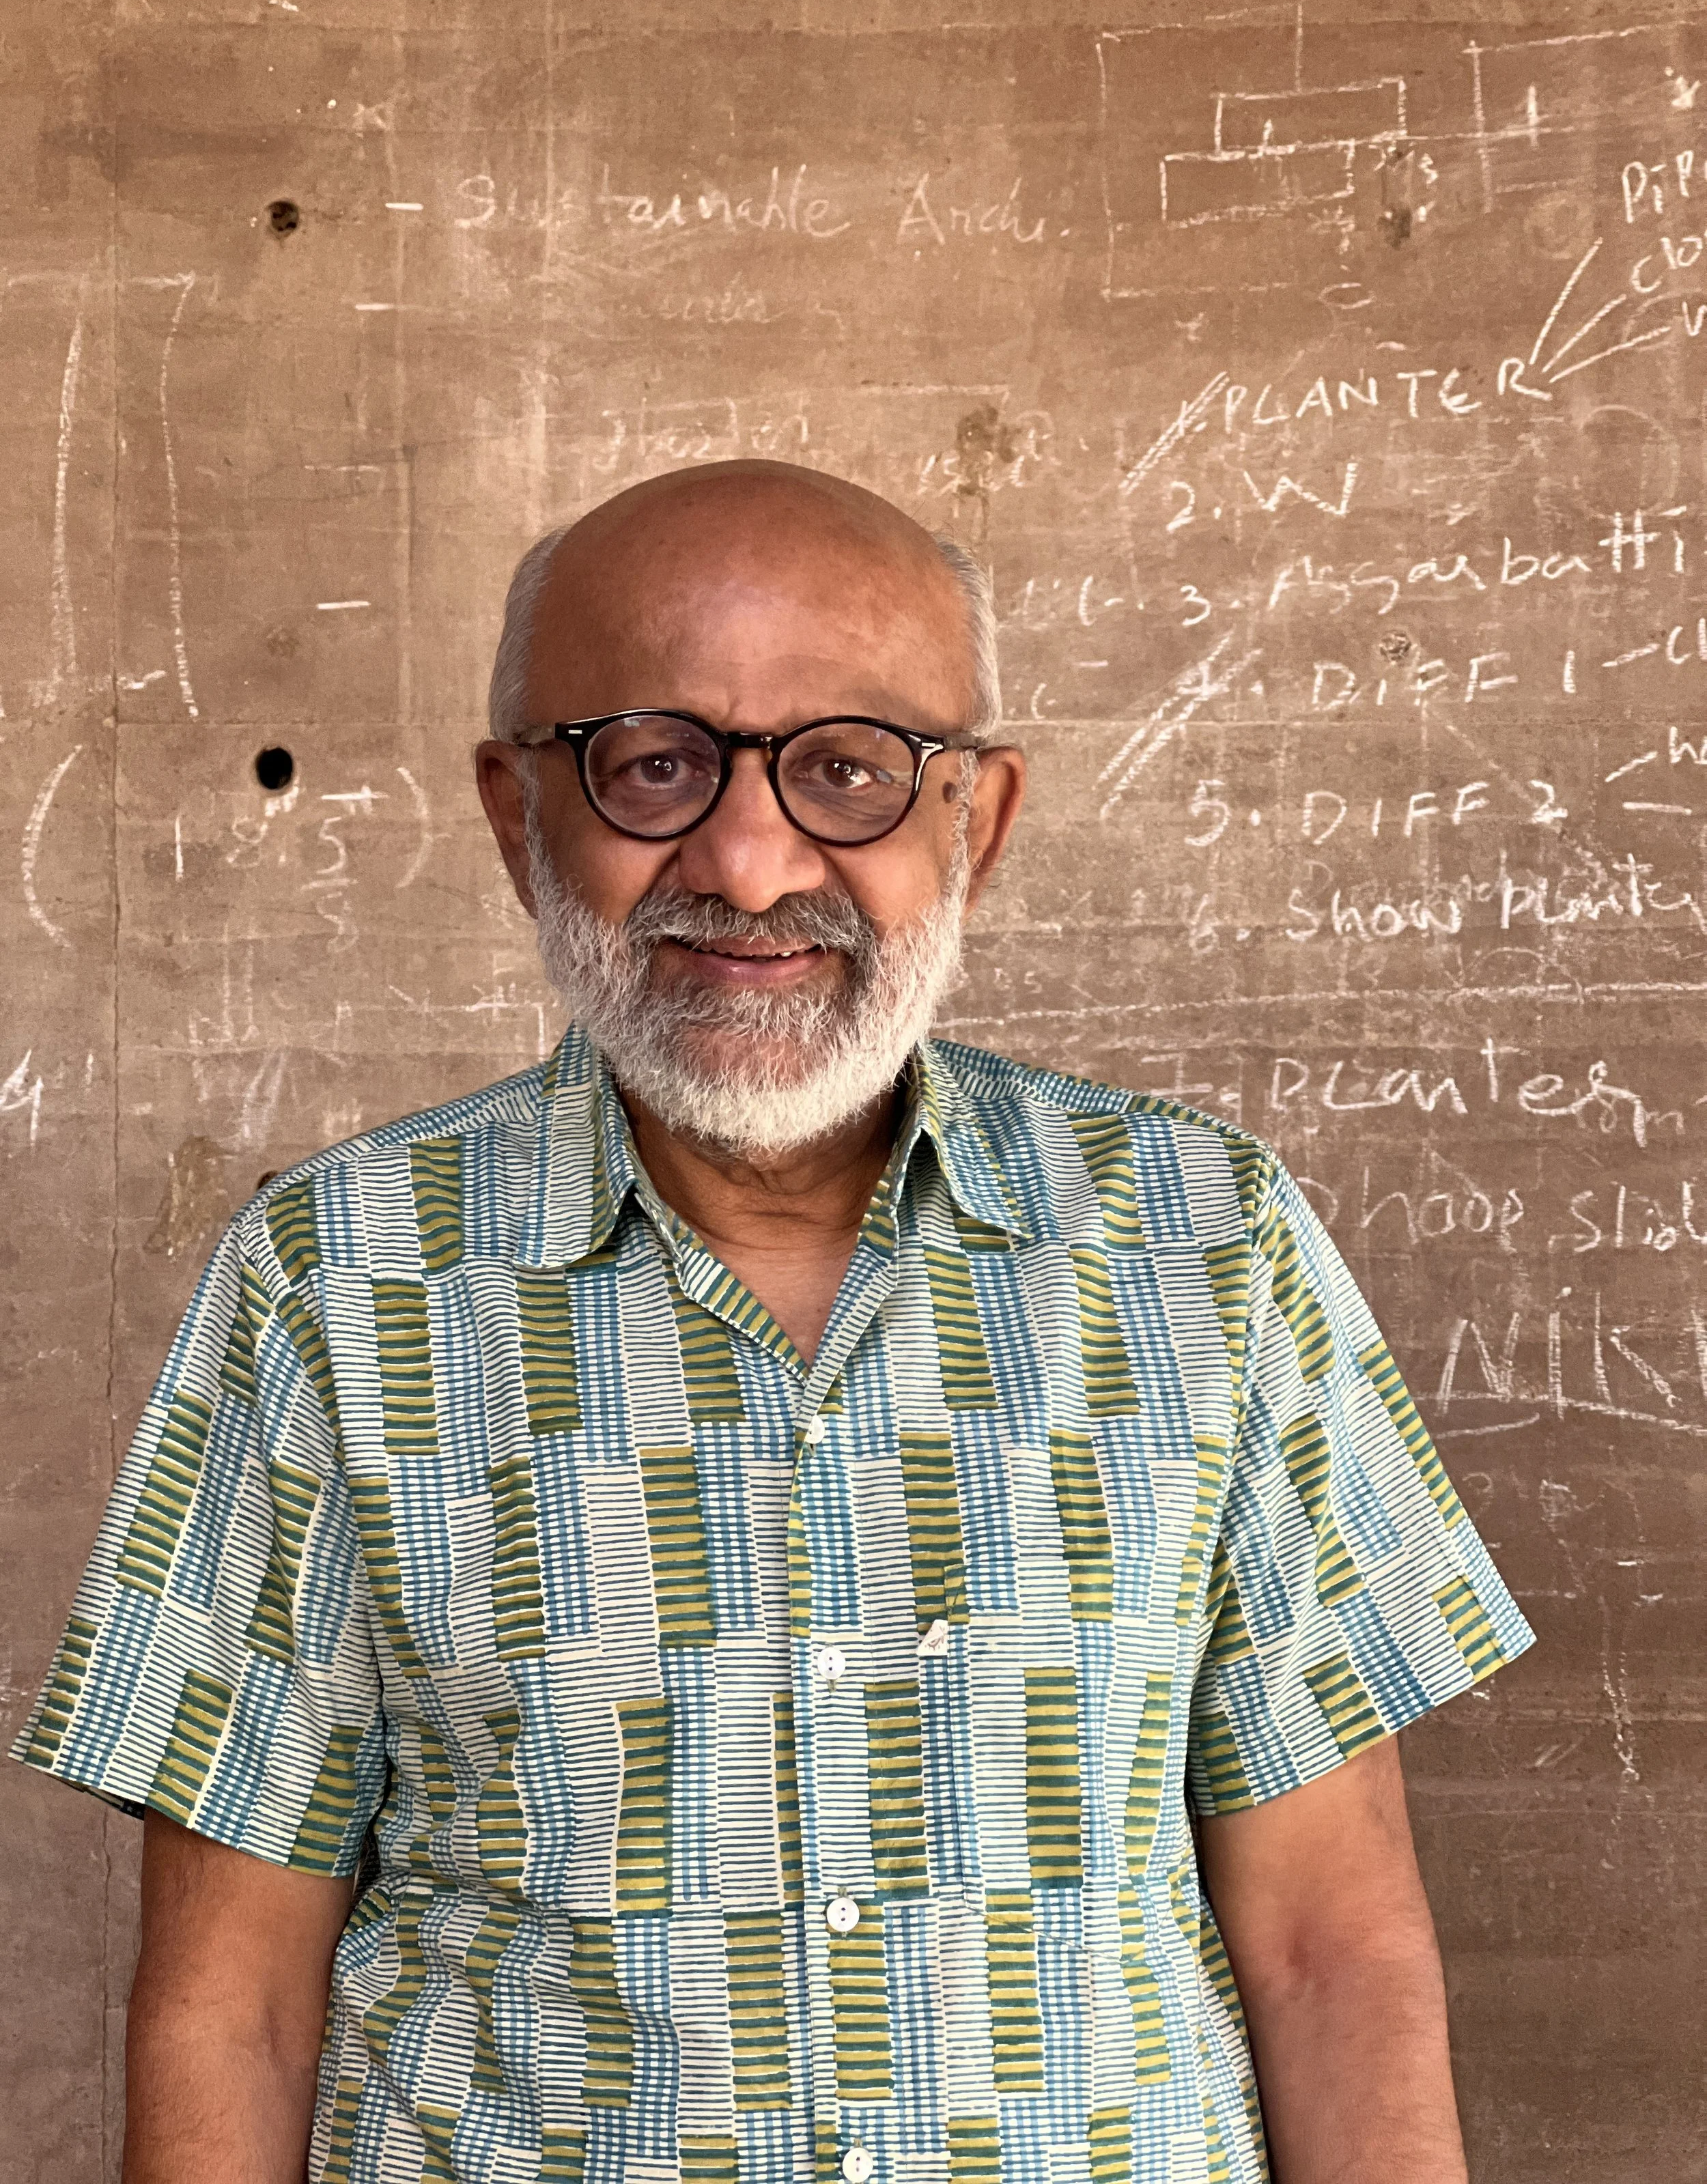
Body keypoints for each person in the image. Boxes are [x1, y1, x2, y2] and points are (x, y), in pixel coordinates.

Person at [14, 461, 1532, 2184]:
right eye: (652, 764)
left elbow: (1332, 1951)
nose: (746, 865)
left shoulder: (1205, 1240)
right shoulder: (334, 1279)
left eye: (847, 769)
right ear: (518, 815)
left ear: (977, 819)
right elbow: (236, 2007)